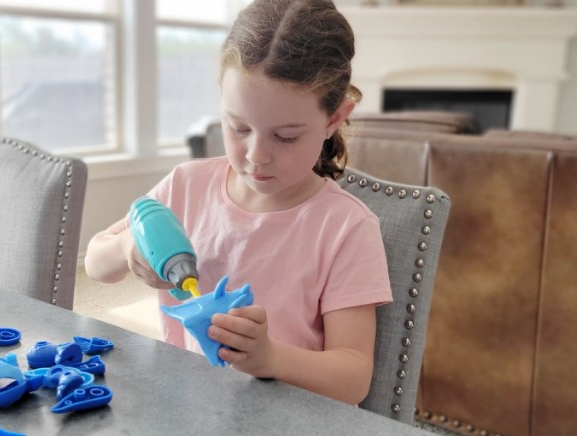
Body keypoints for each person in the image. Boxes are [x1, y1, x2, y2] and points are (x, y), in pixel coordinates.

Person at [84, 0, 392, 405]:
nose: (256, 155)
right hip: (189, 412)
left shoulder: (345, 228)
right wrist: (127, 249)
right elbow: (94, 264)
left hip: (287, 431)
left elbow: (353, 380)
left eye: (285, 136)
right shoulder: (186, 186)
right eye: (239, 127)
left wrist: (271, 357)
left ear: (334, 119)